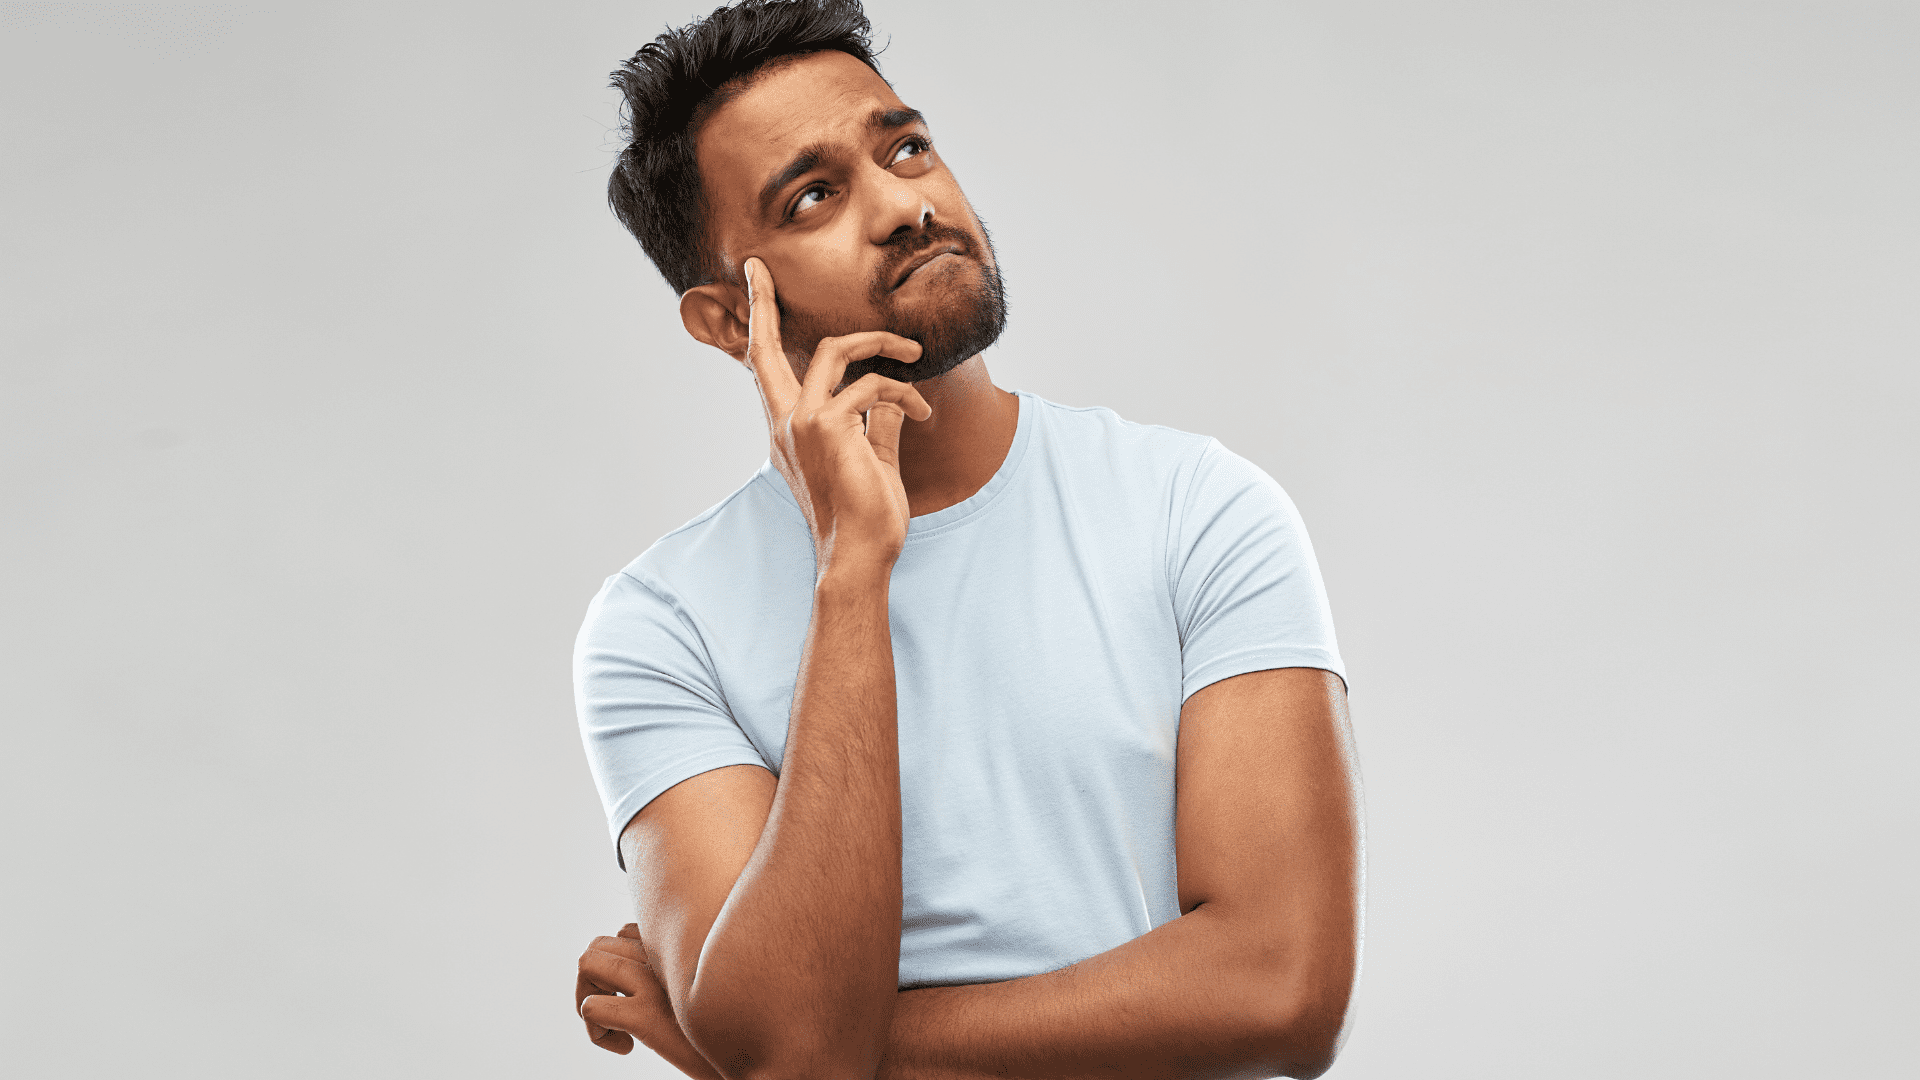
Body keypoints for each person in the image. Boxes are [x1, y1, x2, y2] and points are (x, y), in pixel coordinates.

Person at [569, 3, 1364, 1078]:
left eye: (905, 147)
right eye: (814, 196)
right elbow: (800, 1057)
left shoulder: (1199, 508)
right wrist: (852, 569)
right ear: (726, 320)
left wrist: (761, 1048)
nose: (903, 205)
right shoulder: (659, 627)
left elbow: (1282, 991)